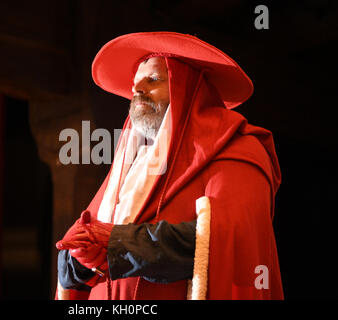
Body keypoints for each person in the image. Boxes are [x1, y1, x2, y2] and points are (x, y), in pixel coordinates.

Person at [55, 32, 283, 300]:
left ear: (187, 90)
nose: (137, 89)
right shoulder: (130, 162)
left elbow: (232, 241)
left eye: (152, 80)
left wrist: (122, 245)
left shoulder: (234, 148)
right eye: (135, 83)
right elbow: (83, 242)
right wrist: (77, 261)